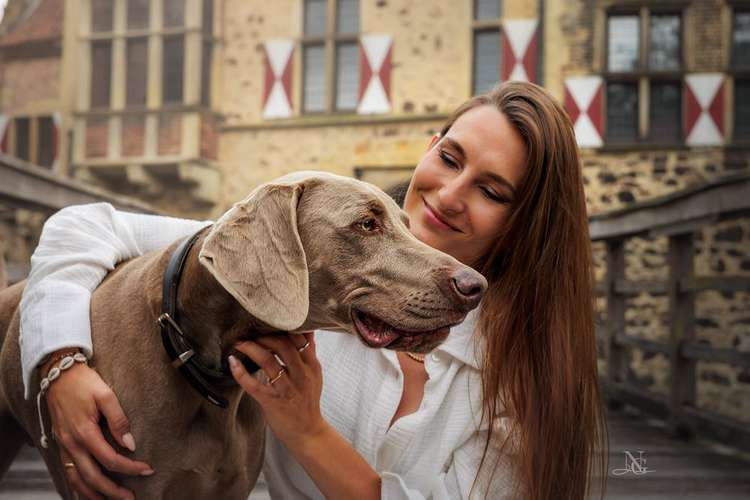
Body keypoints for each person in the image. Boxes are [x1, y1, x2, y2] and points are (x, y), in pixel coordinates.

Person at [19, 82, 608, 500]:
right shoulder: (307, 261)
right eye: (449, 157)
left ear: (524, 224)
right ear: (429, 148)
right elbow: (84, 225)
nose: (450, 194)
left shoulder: (526, 373)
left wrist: (305, 426)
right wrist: (60, 363)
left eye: (493, 192)